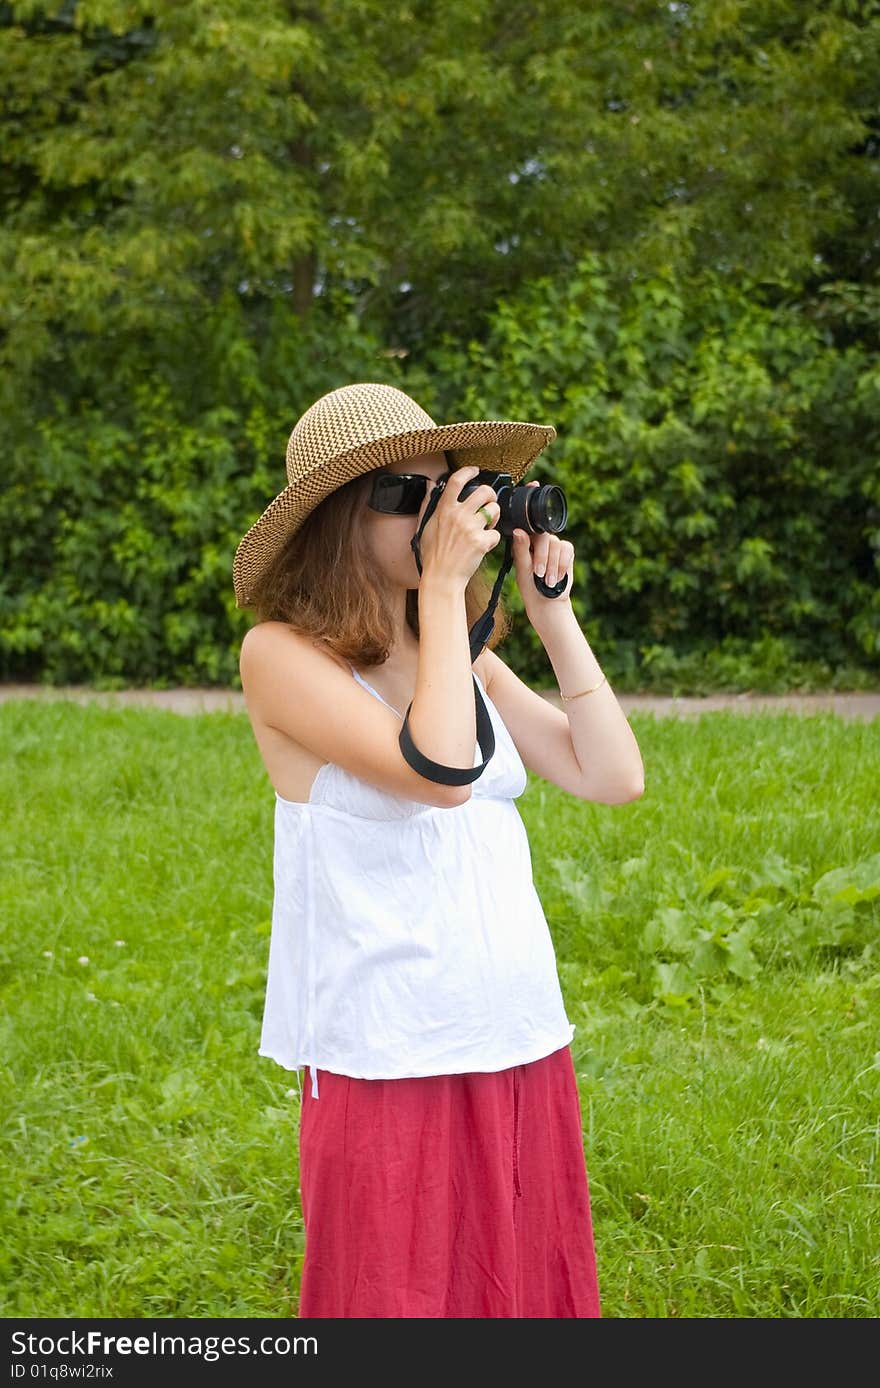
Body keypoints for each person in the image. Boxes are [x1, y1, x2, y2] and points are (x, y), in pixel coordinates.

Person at [232, 382, 645, 1318]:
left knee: (520, 1289)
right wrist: (449, 588)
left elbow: (611, 775)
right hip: (388, 1049)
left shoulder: (461, 652)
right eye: (413, 493)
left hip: (516, 1028)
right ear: (346, 517)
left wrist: (551, 619)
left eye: (451, 488)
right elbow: (440, 772)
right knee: (402, 1297)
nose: (446, 513)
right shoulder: (283, 655)